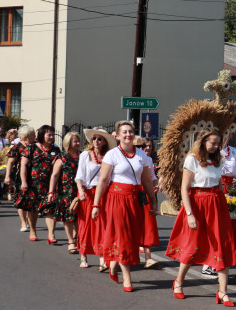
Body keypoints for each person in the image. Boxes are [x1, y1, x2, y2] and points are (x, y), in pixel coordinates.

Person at [165, 130, 236, 305]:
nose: (215, 146)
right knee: (192, 247)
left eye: (218, 143)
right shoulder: (192, 159)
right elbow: (184, 189)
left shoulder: (219, 159)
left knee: (222, 246)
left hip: (216, 205)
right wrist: (190, 214)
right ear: (203, 142)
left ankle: (223, 292)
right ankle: (179, 282)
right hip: (198, 205)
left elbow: (219, 184)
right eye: (212, 142)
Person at [91, 121, 158, 292]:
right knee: (123, 236)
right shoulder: (112, 155)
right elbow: (103, 181)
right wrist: (96, 204)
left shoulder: (141, 155)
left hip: (134, 200)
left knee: (133, 237)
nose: (128, 135)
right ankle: (127, 277)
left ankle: (113, 261)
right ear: (118, 135)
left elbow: (146, 180)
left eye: (131, 132)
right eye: (125, 132)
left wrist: (153, 199)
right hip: (116, 199)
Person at [76, 127, 114, 269]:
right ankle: (83, 256)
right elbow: (79, 176)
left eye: (99, 138)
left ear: (104, 142)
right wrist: (80, 191)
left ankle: (102, 258)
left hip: (103, 194)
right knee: (85, 226)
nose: (96, 141)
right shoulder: (85, 155)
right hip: (87, 194)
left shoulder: (109, 157)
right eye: (94, 138)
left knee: (102, 226)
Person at [207, 137, 236, 277]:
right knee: (215, 227)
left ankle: (224, 260)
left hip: (231, 192)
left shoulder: (235, 152)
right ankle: (209, 263)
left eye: (228, 134)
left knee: (229, 228)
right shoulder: (210, 152)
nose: (225, 137)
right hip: (215, 189)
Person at [21, 125, 61, 244]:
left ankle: (51, 234)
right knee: (33, 208)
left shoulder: (55, 150)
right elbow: (23, 165)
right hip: (34, 183)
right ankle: (33, 230)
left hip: (50, 184)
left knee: (50, 208)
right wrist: (23, 181)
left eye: (53, 135)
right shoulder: (32, 148)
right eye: (49, 134)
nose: (51, 137)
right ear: (42, 135)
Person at [48, 132, 82, 254]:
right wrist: (51, 192)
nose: (78, 143)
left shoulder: (83, 156)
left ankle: (78, 238)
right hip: (66, 191)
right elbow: (55, 175)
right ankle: (71, 241)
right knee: (68, 217)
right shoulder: (61, 157)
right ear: (68, 143)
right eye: (75, 141)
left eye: (78, 141)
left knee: (79, 217)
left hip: (80, 190)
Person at [136, 136, 160, 269]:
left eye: (148, 146)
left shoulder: (148, 159)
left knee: (147, 223)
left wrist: (155, 185)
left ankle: (148, 258)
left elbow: (151, 176)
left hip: (145, 192)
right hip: (131, 192)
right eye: (142, 146)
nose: (146, 148)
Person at [6, 126, 34, 232]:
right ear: (27, 137)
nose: (35, 137)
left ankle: (29, 220)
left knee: (30, 200)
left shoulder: (35, 146)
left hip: (33, 176)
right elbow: (10, 162)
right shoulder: (17, 147)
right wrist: (7, 176)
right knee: (21, 199)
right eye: (33, 135)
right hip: (20, 177)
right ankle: (23, 222)